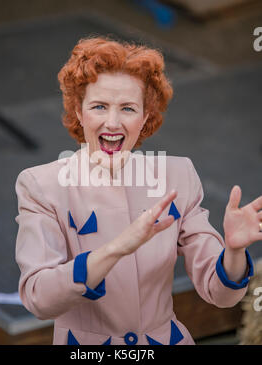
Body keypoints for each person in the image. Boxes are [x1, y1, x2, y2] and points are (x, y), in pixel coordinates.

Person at [15, 36, 262, 345]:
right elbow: (39, 298)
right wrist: (117, 248)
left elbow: (220, 294)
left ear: (145, 117)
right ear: (79, 112)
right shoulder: (41, 186)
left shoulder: (177, 175)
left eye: (128, 108)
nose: (113, 122)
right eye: (99, 106)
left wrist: (235, 249)